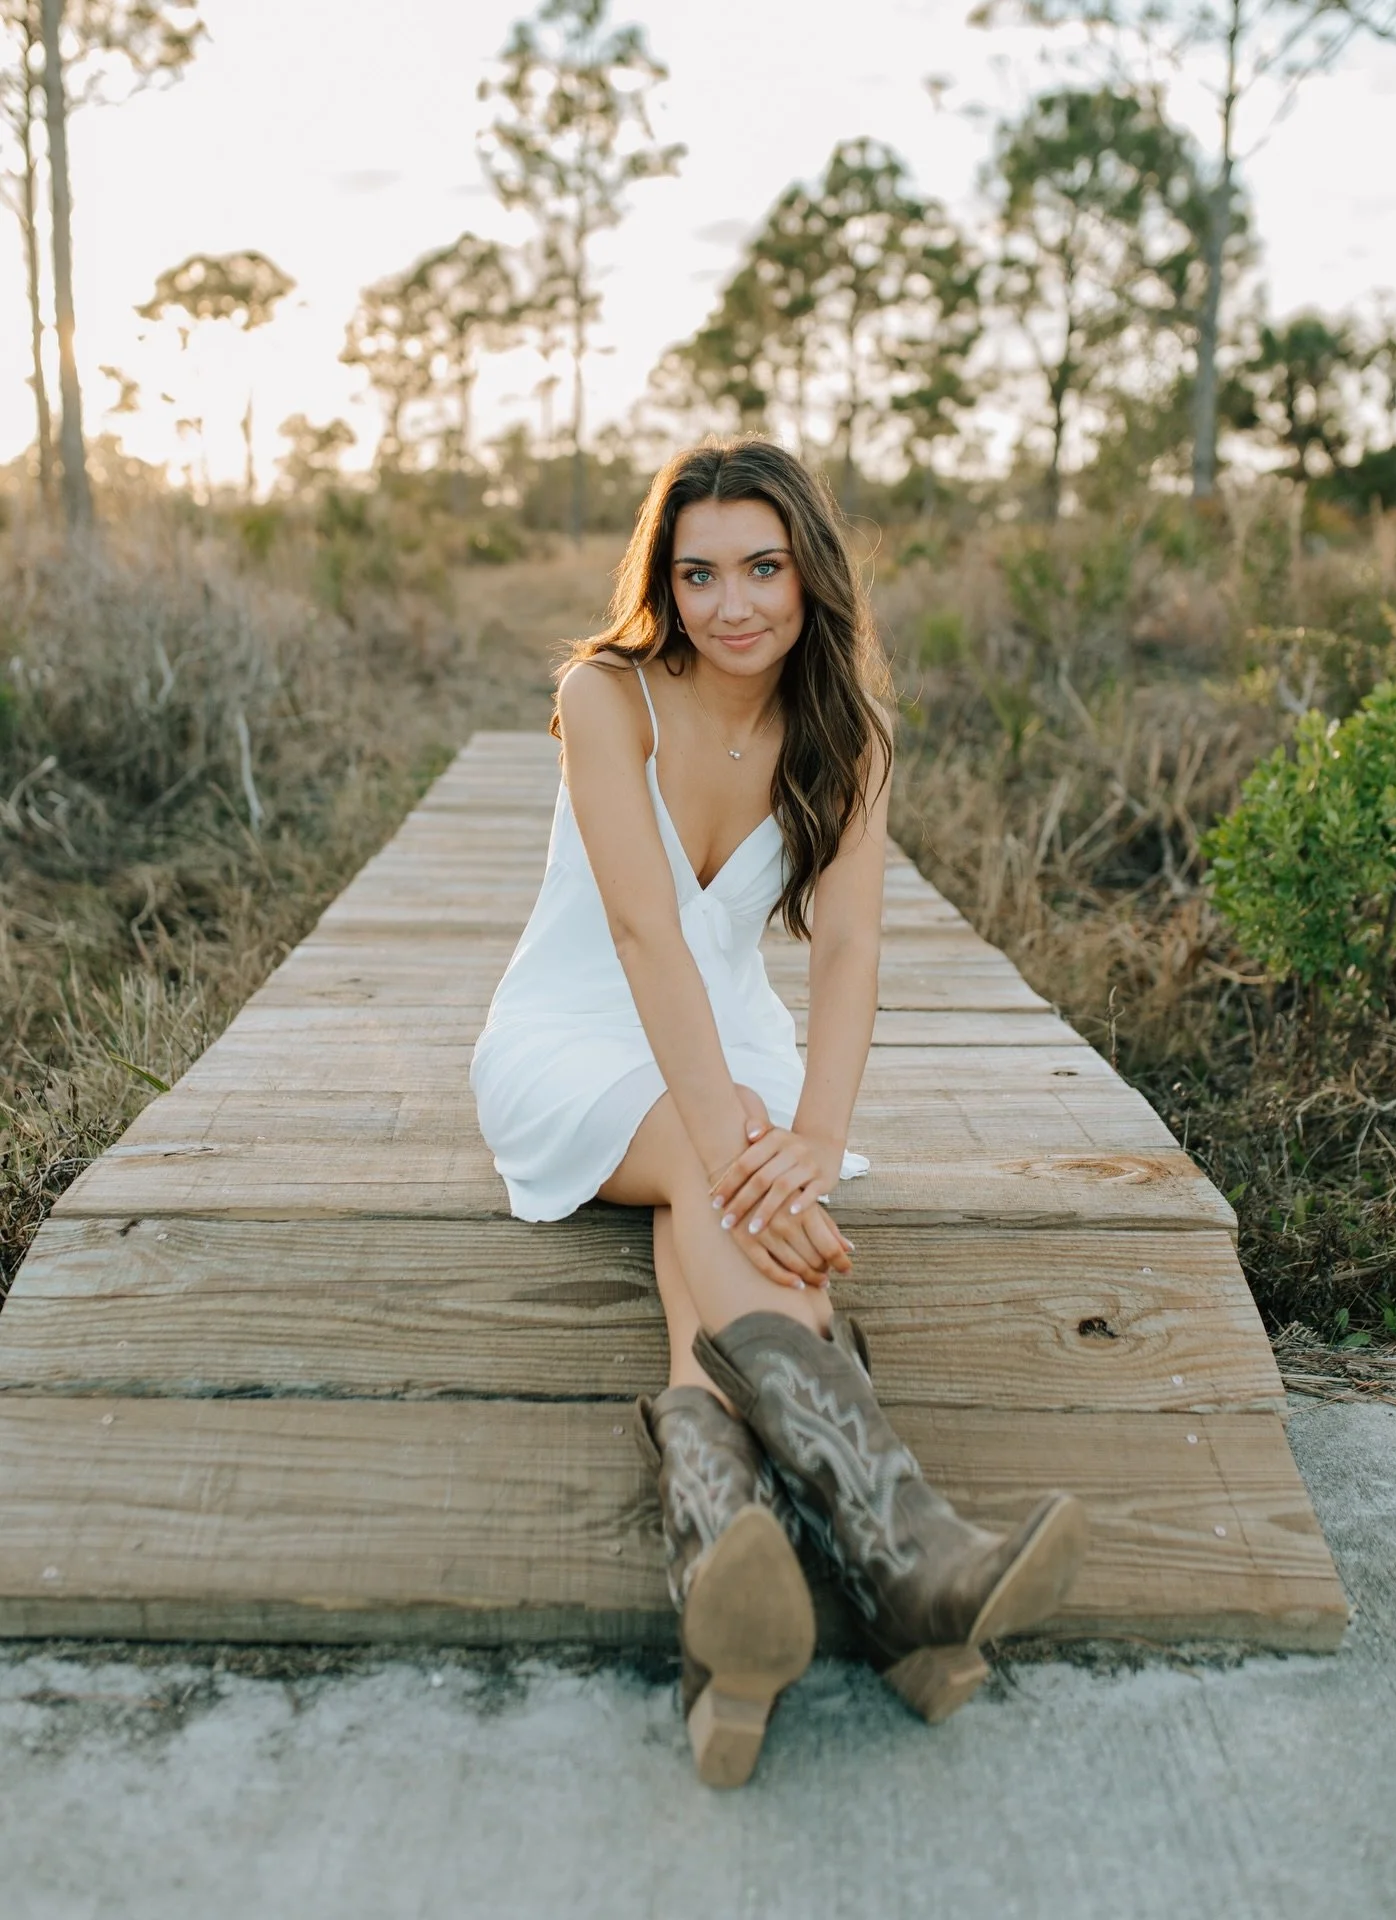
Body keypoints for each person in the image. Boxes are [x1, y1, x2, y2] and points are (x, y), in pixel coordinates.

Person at [471, 438, 1087, 1788]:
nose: (731, 602)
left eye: (762, 566)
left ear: (810, 569)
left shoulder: (848, 734)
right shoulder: (607, 694)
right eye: (697, 574)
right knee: (722, 1163)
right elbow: (641, 930)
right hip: (570, 1037)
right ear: (665, 583)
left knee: (720, 1186)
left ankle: (732, 1628)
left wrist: (807, 1133)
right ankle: (906, 1566)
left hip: (730, 1044)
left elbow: (853, 953)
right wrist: (746, 1142)